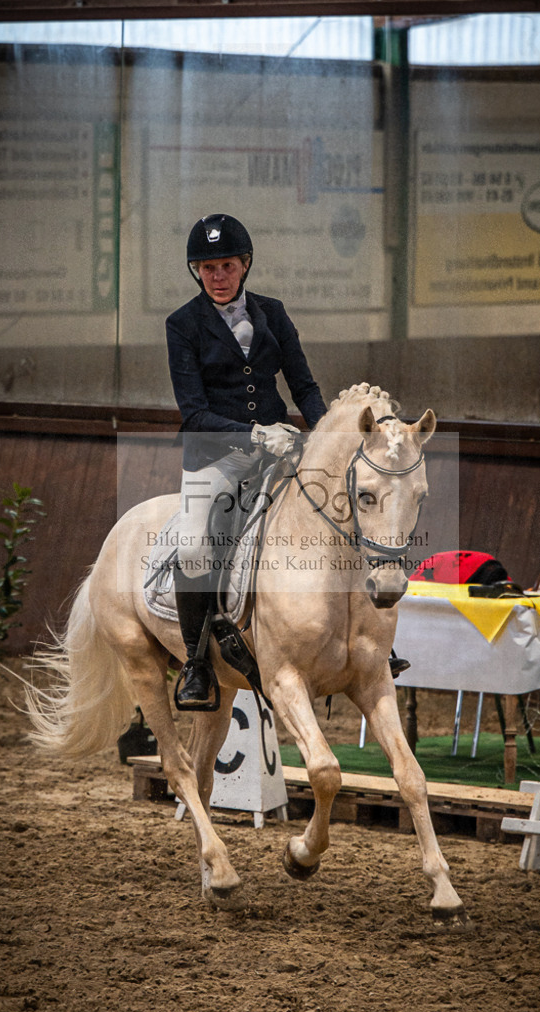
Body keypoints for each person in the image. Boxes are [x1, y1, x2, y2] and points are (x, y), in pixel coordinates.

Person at [166, 213, 327, 709]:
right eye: (208, 268)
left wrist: (326, 437)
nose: (218, 276)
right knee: (194, 546)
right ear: (197, 271)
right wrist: (253, 434)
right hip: (216, 457)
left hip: (281, 448)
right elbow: (194, 413)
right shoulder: (182, 325)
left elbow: (303, 385)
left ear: (245, 264)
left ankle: (365, 637)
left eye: (227, 266)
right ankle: (196, 663)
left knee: (338, 511)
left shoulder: (272, 313)